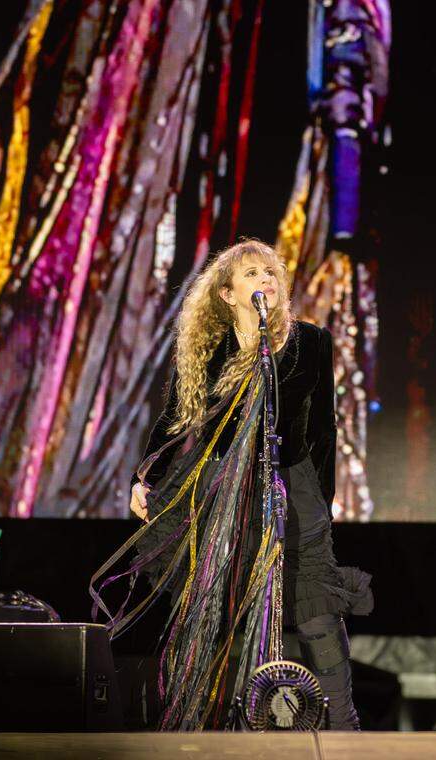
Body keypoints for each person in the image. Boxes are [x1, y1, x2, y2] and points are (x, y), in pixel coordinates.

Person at [96, 238, 372, 730]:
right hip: (227, 494)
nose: (265, 280)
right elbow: (177, 419)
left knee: (315, 611)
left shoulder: (310, 342)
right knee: (233, 609)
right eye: (250, 274)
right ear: (226, 294)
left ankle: (346, 729)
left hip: (295, 487)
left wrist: (321, 504)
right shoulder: (211, 351)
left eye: (270, 273)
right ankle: (233, 730)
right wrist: (145, 478)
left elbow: (323, 429)